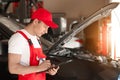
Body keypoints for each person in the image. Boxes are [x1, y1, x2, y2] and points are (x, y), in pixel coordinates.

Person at [8, 8, 59, 80]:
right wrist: (39, 68)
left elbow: (37, 67)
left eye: (48, 28)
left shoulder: (36, 39)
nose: (46, 31)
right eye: (45, 27)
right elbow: (13, 68)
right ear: (35, 21)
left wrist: (47, 70)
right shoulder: (18, 38)